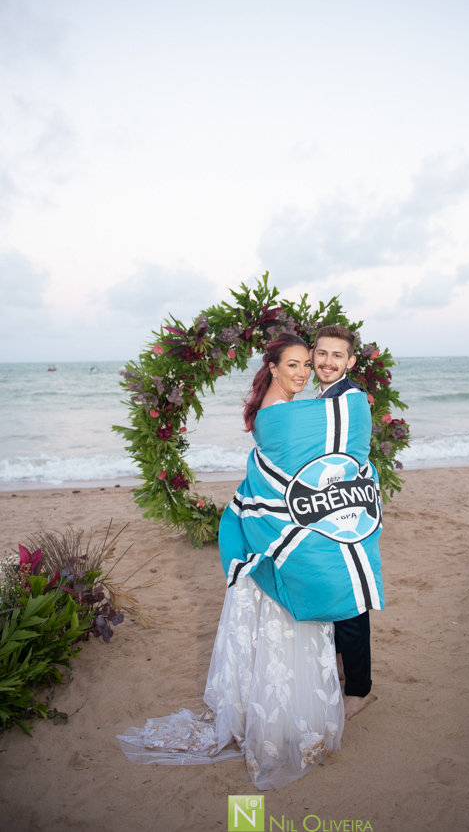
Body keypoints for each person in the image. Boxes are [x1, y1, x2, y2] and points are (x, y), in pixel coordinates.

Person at [118, 333, 346, 790]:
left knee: (270, 628)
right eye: (294, 365)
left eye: (307, 364)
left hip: (264, 526)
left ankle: (267, 715)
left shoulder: (276, 407)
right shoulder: (283, 414)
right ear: (274, 367)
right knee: (284, 621)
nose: (303, 372)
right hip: (275, 532)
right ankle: (282, 727)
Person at [312, 325, 377, 719]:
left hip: (344, 509)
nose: (328, 362)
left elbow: (344, 454)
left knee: (350, 597)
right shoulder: (323, 396)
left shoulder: (350, 399)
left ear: (350, 362)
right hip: (327, 504)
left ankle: (360, 689)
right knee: (331, 590)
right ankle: (340, 666)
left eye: (337, 356)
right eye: (322, 354)